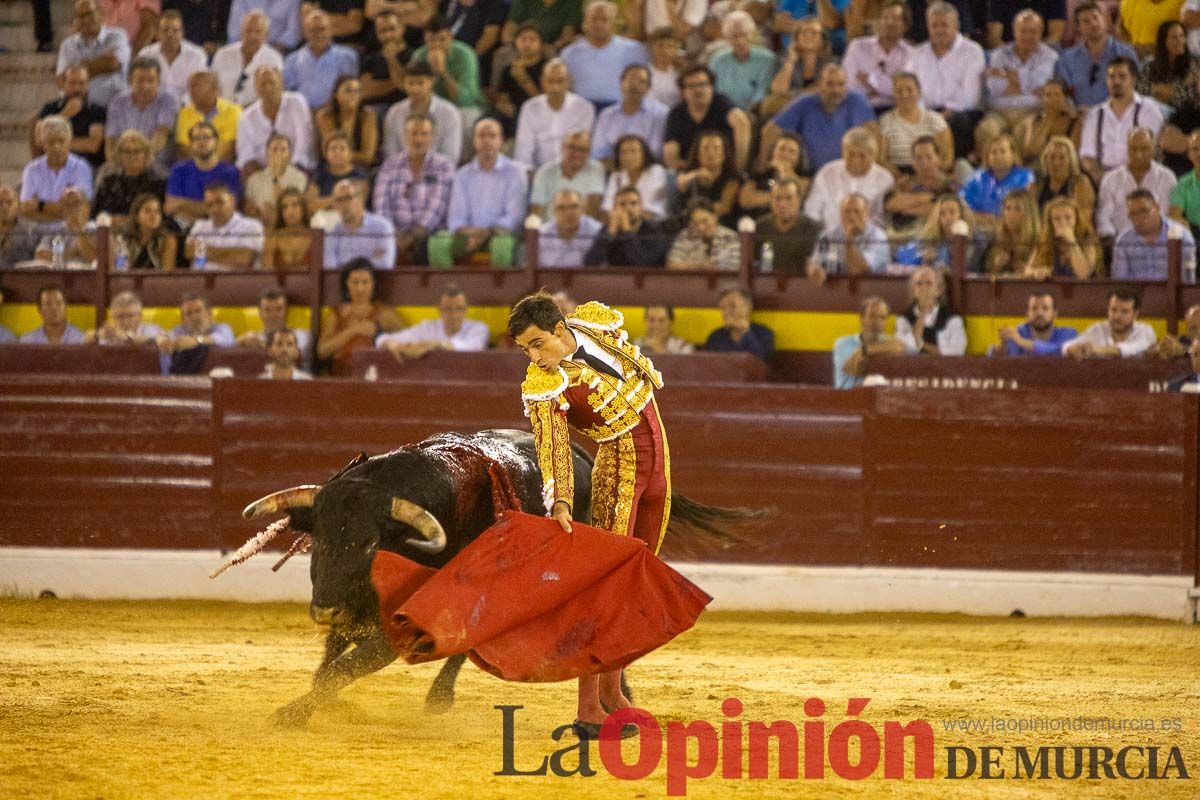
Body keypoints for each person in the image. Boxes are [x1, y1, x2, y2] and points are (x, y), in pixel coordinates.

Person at [507, 292, 673, 738]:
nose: (534, 357)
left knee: (635, 583)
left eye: (538, 344)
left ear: (561, 330)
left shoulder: (595, 327)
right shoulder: (546, 385)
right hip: (618, 471)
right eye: (526, 349)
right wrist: (560, 498)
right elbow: (552, 444)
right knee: (605, 589)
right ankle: (588, 708)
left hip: (657, 464)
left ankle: (613, 694)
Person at [432, 117, 527, 267]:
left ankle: (499, 289)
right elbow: (455, 218)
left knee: (502, 246)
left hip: (500, 234)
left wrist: (486, 233)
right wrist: (471, 233)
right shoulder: (462, 175)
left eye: (492, 136)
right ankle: (448, 288)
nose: (487, 141)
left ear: (501, 140)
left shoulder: (515, 173)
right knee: (437, 244)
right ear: (474, 140)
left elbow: (514, 217)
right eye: (481, 136)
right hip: (468, 234)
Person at [762, 63, 875, 177]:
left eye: (841, 84)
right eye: (830, 84)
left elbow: (874, 133)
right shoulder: (805, 102)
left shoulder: (856, 101)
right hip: (810, 174)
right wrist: (762, 164)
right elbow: (771, 130)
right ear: (819, 85)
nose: (836, 90)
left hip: (847, 173)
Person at [907, 1, 985, 160]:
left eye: (944, 25)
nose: (939, 30)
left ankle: (952, 166)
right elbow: (910, 89)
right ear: (928, 27)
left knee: (957, 122)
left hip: (961, 112)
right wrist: (922, 113)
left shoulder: (972, 51)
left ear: (956, 25)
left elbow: (971, 97)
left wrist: (945, 113)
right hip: (927, 111)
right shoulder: (918, 53)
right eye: (934, 25)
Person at [373, 115, 455, 265]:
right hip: (394, 234)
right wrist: (393, 235)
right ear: (404, 135)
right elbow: (381, 205)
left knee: (426, 246)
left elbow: (438, 207)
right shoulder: (390, 165)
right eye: (413, 133)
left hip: (430, 233)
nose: (418, 139)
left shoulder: (443, 166)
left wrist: (412, 237)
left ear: (433, 137)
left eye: (424, 134)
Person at [978, 9, 1059, 148]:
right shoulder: (999, 55)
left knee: (1023, 133)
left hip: (1031, 110)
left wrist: (1004, 74)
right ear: (1014, 31)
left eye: (1033, 31)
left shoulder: (1050, 56)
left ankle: (1020, 169)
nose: (1027, 36)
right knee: (987, 130)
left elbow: (1039, 84)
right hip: (999, 112)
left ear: (1041, 32)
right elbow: (995, 88)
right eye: (1023, 31)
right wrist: (1025, 84)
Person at [1079, 58, 1164, 185]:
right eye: (1112, 77)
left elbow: (1153, 152)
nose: (1116, 81)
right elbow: (1087, 155)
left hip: (1139, 177)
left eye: (1122, 76)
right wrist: (1102, 178)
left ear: (1133, 80)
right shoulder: (1095, 114)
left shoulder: (1148, 110)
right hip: (1101, 178)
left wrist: (1128, 178)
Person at [316, 258, 403, 376]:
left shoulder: (384, 313)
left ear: (373, 284)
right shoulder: (335, 313)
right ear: (346, 284)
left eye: (365, 282)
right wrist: (353, 330)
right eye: (355, 282)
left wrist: (378, 334)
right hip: (340, 377)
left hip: (374, 376)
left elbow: (405, 343)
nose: (360, 288)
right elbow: (322, 351)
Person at [559, 0, 648, 109]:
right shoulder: (569, 54)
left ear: (614, 23)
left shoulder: (635, 50)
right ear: (585, 23)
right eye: (594, 19)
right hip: (581, 112)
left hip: (621, 112)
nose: (599, 24)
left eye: (604, 20)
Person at [803, 127, 894, 232]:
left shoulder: (885, 179)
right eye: (851, 154)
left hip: (868, 241)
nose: (855, 160)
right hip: (829, 238)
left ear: (873, 156)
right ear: (843, 152)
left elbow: (884, 219)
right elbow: (812, 210)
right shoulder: (827, 172)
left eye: (862, 155)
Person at [662, 64, 751, 171]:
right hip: (690, 171)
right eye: (691, 86)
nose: (698, 90)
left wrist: (739, 168)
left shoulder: (721, 103)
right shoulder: (676, 114)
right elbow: (670, 155)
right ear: (683, 92)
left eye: (702, 84)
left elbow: (741, 123)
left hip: (724, 170)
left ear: (711, 87)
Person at [1053, 1, 1138, 109]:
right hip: (1078, 119)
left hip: (1117, 115)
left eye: (1095, 17)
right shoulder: (1067, 59)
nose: (1093, 24)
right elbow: (1062, 94)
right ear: (1078, 28)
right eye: (1086, 21)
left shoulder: (1126, 54)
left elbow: (1135, 90)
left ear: (1104, 20)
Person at [514, 60, 596, 171]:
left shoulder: (584, 108)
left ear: (568, 82)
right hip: (539, 173)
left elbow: (583, 148)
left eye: (560, 81)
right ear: (542, 82)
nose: (555, 87)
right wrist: (529, 174)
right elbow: (524, 150)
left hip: (574, 171)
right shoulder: (530, 108)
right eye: (550, 81)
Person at [1096, 128, 1176, 241]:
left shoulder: (1167, 177)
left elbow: (1168, 216)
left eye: (1144, 149)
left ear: (1153, 149)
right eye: (1133, 149)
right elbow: (1103, 217)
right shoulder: (1110, 179)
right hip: (1118, 243)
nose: (1138, 154)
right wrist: (1112, 239)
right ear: (1127, 149)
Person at [236, 66, 316, 175]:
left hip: (298, 169)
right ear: (255, 88)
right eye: (263, 84)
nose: (268, 88)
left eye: (272, 83)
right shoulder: (246, 116)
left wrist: (288, 173)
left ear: (281, 83)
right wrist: (265, 178)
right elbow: (245, 154)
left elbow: (304, 143)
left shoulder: (296, 102)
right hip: (262, 173)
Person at [104, 57, 179, 169]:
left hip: (156, 166)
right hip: (124, 166)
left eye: (151, 81)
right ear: (130, 80)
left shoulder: (167, 100)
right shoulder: (118, 102)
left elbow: (160, 138)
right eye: (140, 81)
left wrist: (136, 162)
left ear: (158, 81)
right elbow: (111, 142)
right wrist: (116, 166)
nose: (145, 86)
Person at [376, 283, 489, 358]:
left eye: (459, 309)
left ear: (465, 310)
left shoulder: (478, 328)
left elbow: (470, 347)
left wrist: (434, 345)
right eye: (448, 309)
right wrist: (394, 345)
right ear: (439, 310)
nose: (454, 315)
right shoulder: (428, 327)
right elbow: (382, 339)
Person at [381, 62, 463, 163]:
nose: (415, 89)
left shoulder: (449, 113)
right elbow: (390, 152)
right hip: (401, 170)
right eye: (410, 83)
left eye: (420, 83)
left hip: (439, 171)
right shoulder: (394, 113)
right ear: (404, 84)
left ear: (431, 82)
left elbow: (451, 155)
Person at [165, 121, 243, 226]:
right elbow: (170, 207)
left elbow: (228, 211)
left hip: (221, 229)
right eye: (196, 138)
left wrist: (182, 203)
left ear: (216, 142)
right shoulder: (179, 170)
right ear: (191, 144)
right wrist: (210, 211)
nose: (201, 142)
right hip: (186, 227)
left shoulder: (231, 172)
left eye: (206, 137)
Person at [31, 65, 107, 171]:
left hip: (87, 166)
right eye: (72, 83)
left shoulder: (97, 110)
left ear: (87, 84)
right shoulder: (50, 108)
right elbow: (39, 139)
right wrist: (65, 115)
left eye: (81, 83)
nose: (77, 88)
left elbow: (93, 145)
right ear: (63, 84)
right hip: (53, 165)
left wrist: (54, 144)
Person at [20, 116, 94, 224]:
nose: (56, 147)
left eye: (61, 141)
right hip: (38, 233)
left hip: (72, 234)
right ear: (43, 144)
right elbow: (26, 209)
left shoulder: (81, 167)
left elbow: (80, 209)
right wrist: (63, 212)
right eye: (51, 142)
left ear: (69, 141)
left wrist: (40, 205)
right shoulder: (31, 169)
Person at [841, 0, 914, 111]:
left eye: (895, 19)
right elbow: (849, 84)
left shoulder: (910, 53)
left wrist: (870, 79)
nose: (889, 22)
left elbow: (903, 91)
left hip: (895, 110)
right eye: (885, 17)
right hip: (860, 108)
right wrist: (889, 87)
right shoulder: (857, 46)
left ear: (905, 26)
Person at [1112, 188, 1198, 281]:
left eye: (1144, 211)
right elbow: (1120, 281)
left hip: (1172, 293)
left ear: (1157, 208)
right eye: (1133, 214)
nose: (1139, 218)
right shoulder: (1124, 241)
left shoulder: (1182, 235)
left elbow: (1188, 280)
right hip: (1136, 294)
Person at [877, 72, 954, 175]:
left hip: (933, 175)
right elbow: (882, 160)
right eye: (899, 91)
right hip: (899, 176)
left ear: (919, 93)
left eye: (909, 90)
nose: (904, 95)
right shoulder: (885, 121)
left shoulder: (936, 120)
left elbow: (947, 158)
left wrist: (930, 176)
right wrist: (901, 178)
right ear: (894, 95)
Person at [57, 0, 131, 107]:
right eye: (81, 16)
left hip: (113, 110)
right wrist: (102, 63)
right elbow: (62, 80)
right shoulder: (68, 45)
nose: (86, 20)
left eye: (90, 14)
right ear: (75, 20)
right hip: (79, 109)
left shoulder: (117, 35)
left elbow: (113, 63)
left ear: (101, 13)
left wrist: (77, 70)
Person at [592, 64, 669, 164]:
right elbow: (598, 150)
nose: (634, 85)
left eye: (641, 82)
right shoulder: (607, 114)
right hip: (612, 168)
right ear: (621, 83)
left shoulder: (660, 113)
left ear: (648, 88)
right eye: (631, 79)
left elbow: (655, 151)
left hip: (647, 169)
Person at [284, 9, 359, 111]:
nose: (318, 34)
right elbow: (288, 94)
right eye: (313, 30)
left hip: (335, 113)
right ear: (305, 32)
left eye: (322, 29)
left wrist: (325, 111)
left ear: (331, 30)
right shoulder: (291, 60)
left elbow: (351, 91)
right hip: (300, 115)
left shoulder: (347, 57)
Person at [807, 193, 890, 282]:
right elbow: (815, 264)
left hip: (871, 288)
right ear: (840, 214)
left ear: (867, 214)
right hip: (833, 290)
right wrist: (814, 269)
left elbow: (858, 270)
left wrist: (849, 238)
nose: (851, 216)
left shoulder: (877, 236)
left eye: (857, 211)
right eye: (846, 211)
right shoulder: (828, 235)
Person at [959, 133, 1036, 229]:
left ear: (1013, 155)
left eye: (1003, 151)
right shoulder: (976, 179)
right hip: (981, 229)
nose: (998, 156)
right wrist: (981, 218)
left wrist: (1000, 221)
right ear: (988, 157)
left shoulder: (1025, 177)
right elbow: (961, 206)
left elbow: (1027, 210)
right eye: (994, 152)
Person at [895, 192, 986, 272]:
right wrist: (922, 258)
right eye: (942, 214)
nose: (948, 218)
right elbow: (903, 257)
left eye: (952, 212)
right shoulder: (929, 237)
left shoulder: (976, 239)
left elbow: (973, 267)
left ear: (961, 215)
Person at [884, 136, 957, 235]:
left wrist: (908, 209)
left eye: (929, 157)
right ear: (913, 161)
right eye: (918, 158)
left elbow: (940, 210)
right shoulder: (904, 183)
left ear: (938, 158)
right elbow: (891, 204)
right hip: (900, 234)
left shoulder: (948, 185)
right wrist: (927, 198)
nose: (924, 162)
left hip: (933, 236)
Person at [832, 296, 910, 388]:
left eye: (882, 317)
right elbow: (856, 369)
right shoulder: (843, 344)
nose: (877, 322)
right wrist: (885, 350)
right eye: (872, 316)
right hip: (847, 397)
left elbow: (904, 348)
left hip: (877, 397)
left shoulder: (889, 340)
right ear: (862, 319)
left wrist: (866, 350)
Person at [584, 186, 671, 267]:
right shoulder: (608, 230)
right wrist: (609, 233)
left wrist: (627, 230)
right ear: (614, 209)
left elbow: (641, 264)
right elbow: (590, 263)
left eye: (633, 203)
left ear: (641, 208)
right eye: (622, 204)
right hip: (615, 280)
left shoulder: (654, 230)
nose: (628, 208)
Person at [185, 182, 265, 270]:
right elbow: (190, 252)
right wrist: (230, 253)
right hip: (202, 280)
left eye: (220, 202)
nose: (215, 209)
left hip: (236, 281)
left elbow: (244, 258)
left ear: (232, 200)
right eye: (209, 205)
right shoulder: (200, 226)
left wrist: (204, 253)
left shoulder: (252, 226)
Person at [212, 10, 283, 108]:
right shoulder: (223, 54)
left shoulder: (273, 59)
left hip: (255, 115)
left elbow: (274, 95)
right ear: (241, 32)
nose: (252, 36)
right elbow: (213, 87)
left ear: (266, 35)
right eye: (248, 31)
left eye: (258, 32)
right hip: (223, 113)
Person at [707, 10, 776, 112]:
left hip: (754, 112)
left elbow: (763, 92)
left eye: (744, 34)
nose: (740, 41)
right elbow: (712, 90)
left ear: (752, 34)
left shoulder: (768, 59)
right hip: (721, 112)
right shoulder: (717, 59)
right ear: (726, 37)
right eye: (734, 36)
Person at [529, 130, 606, 220]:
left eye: (582, 150)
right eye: (572, 148)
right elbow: (536, 210)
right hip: (550, 229)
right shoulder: (545, 172)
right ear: (562, 147)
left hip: (583, 228)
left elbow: (593, 207)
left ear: (589, 152)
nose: (577, 154)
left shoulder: (596, 169)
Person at [1062, 288, 1157, 358]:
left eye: (1124, 312)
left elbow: (1133, 349)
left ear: (1135, 314)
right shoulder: (1098, 329)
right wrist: (1071, 349)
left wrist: (1098, 350)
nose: (1117, 316)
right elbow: (1066, 346)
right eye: (1113, 310)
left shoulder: (1145, 330)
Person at [893, 266, 967, 356]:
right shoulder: (903, 318)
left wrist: (922, 345)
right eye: (919, 284)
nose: (924, 288)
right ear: (913, 290)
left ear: (938, 290)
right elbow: (905, 347)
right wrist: (923, 313)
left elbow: (957, 351)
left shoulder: (952, 318)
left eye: (929, 283)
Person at [324, 179, 397, 270]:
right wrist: (369, 261)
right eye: (338, 200)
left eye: (348, 198)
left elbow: (384, 264)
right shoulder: (331, 231)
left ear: (361, 199)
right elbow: (329, 268)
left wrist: (345, 268)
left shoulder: (382, 227)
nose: (343, 204)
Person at [754, 178, 822, 273]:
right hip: (765, 284)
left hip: (801, 285)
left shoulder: (814, 229)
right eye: (778, 199)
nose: (783, 204)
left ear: (799, 200)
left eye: (788, 198)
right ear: (771, 201)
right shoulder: (759, 227)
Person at [137, 9, 207, 100]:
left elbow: (199, 89)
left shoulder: (197, 56)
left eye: (175, 30)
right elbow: (140, 87)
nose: (170, 34)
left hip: (186, 109)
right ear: (157, 33)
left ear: (182, 33)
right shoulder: (145, 55)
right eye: (165, 30)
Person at [1025, 196, 1100, 279]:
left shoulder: (1087, 240)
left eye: (1068, 217)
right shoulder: (1044, 241)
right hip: (1052, 290)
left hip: (1081, 290)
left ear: (1076, 219)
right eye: (1057, 219)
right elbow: (1027, 270)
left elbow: (1083, 275)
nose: (1063, 223)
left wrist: (1071, 241)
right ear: (1051, 223)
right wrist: (1036, 272)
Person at [174, 71, 241, 163]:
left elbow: (230, 149)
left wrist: (210, 168)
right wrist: (201, 167)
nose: (192, 91)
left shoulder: (233, 111)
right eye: (190, 87)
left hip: (222, 167)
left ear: (214, 89)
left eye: (197, 86)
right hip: (193, 168)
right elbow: (183, 148)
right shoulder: (185, 113)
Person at [674, 130, 739, 225]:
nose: (711, 153)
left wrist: (699, 215)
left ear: (724, 153)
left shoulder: (732, 177)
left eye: (716, 148)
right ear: (697, 153)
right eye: (705, 148)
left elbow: (724, 207)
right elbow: (680, 185)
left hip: (719, 224)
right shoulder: (688, 172)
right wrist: (696, 174)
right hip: (689, 224)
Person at [243, 133, 309, 226]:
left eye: (283, 150)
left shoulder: (299, 177)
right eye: (274, 149)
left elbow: (297, 206)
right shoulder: (254, 179)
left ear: (289, 155)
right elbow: (248, 207)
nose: (278, 153)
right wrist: (258, 209)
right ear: (266, 154)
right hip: (260, 224)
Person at [1014, 79, 1083, 166]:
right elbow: (1030, 152)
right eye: (1048, 95)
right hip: (1038, 167)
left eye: (1056, 95)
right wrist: (1049, 119)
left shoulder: (1075, 123)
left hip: (1063, 166)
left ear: (1065, 98)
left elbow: (1071, 154)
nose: (1052, 99)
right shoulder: (1036, 120)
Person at [315, 75, 379, 169]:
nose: (353, 95)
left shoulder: (368, 116)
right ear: (335, 94)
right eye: (348, 90)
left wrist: (341, 155)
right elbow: (331, 151)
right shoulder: (325, 116)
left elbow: (368, 157)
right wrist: (352, 155)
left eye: (357, 91)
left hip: (361, 168)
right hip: (330, 168)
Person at [236, 286, 313, 363]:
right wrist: (240, 341)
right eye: (267, 310)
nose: (273, 315)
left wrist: (263, 347)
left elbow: (293, 356)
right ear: (260, 313)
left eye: (278, 309)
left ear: (286, 311)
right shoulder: (252, 337)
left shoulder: (301, 335)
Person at [601, 135, 669, 221]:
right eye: (623, 152)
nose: (628, 157)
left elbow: (647, 209)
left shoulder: (656, 171)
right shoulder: (616, 175)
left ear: (644, 154)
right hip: (620, 222)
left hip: (652, 224)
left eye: (633, 151)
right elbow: (607, 207)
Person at [1135, 20, 1200, 109]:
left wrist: (1168, 94)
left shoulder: (1195, 63)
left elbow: (1187, 95)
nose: (1180, 41)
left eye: (1182, 36)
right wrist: (1156, 88)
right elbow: (1138, 87)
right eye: (1174, 37)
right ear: (1163, 41)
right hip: (1157, 112)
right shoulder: (1151, 66)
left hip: (1186, 114)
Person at [991, 290, 1078, 356]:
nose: (1039, 313)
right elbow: (993, 354)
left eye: (1045, 308)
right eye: (1034, 308)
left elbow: (1057, 350)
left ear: (1054, 314)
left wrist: (1021, 341)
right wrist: (1002, 347)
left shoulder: (1069, 334)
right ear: (1027, 314)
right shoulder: (1019, 332)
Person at [1032, 134, 1096, 221]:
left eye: (1062, 158)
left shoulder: (1080, 182)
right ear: (1045, 160)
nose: (1056, 163)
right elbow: (1030, 218)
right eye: (1052, 157)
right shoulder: (1037, 184)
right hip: (1043, 232)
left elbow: (1084, 219)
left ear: (1070, 161)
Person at [703, 286, 774, 363]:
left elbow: (760, 363)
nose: (726, 312)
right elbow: (708, 366)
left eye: (732, 306)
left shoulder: (764, 333)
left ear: (748, 307)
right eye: (723, 308)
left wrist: (744, 331)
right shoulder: (715, 336)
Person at [358, 10, 411, 111]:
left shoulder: (414, 55)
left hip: (403, 108)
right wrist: (396, 82)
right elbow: (365, 91)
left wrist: (391, 59)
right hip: (373, 109)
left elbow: (405, 86)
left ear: (402, 28)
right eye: (382, 31)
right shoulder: (370, 58)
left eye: (392, 29)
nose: (388, 35)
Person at [666, 198, 740, 271]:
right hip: (690, 281)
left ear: (715, 217)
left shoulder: (730, 236)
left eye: (705, 221)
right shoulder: (685, 235)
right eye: (695, 223)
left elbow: (736, 267)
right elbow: (672, 265)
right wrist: (699, 265)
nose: (701, 227)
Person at [158, 290, 235, 359]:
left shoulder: (223, 328)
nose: (194, 317)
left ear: (209, 313)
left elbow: (225, 340)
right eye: (189, 313)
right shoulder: (178, 331)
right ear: (183, 320)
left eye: (198, 311)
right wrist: (162, 339)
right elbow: (165, 337)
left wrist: (196, 341)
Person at [538, 189, 602, 268]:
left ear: (583, 209)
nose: (568, 212)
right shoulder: (541, 235)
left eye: (573, 207)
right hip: (550, 279)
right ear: (553, 212)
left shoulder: (597, 231)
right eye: (561, 208)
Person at [34, 188, 97, 267]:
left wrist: (78, 231)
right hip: (58, 276)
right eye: (67, 205)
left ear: (87, 207)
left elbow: (95, 259)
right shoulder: (56, 230)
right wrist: (72, 253)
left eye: (76, 203)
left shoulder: (97, 229)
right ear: (62, 210)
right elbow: (40, 255)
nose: (72, 209)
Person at [985, 188, 1041, 275]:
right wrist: (996, 267)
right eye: (1008, 208)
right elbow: (982, 276)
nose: (1011, 214)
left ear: (1029, 214)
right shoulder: (996, 240)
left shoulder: (1039, 241)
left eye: (1018, 209)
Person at [119, 192, 177, 269]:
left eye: (157, 211)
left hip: (156, 280)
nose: (154, 215)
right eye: (147, 211)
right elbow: (119, 269)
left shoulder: (167, 239)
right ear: (136, 216)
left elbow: (167, 273)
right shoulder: (125, 239)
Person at [82, 289, 164, 344]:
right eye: (120, 316)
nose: (125, 321)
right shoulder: (110, 332)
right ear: (112, 317)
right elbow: (84, 339)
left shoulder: (152, 329)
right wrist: (98, 335)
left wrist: (126, 337)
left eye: (130, 316)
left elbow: (152, 341)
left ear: (140, 316)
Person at [262, 188, 314, 270]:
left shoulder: (315, 237)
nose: (290, 211)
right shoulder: (272, 238)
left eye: (295, 205)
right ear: (281, 213)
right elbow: (268, 273)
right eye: (284, 207)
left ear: (303, 209)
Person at [227, 0, 302, 52]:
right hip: (244, 48)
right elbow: (234, 31)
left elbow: (293, 32)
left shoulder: (293, 1)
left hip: (279, 51)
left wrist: (268, 53)